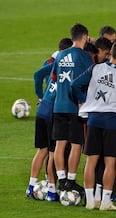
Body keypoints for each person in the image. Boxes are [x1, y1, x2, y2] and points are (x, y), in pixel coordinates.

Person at [71, 39, 116, 210]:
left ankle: (90, 201)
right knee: (110, 162)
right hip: (111, 121)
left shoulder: (96, 68)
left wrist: (84, 102)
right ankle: (105, 201)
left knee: (91, 161)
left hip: (93, 120)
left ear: (111, 53)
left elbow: (75, 84)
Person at [26, 38, 73, 201]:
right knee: (54, 152)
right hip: (54, 112)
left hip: (42, 110)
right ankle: (52, 191)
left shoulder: (54, 64)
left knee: (42, 150)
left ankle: (31, 186)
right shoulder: (69, 68)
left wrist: (40, 95)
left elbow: (38, 74)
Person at [50, 23, 93, 195]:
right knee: (76, 144)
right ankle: (71, 180)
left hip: (58, 105)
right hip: (75, 106)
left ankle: (61, 180)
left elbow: (53, 76)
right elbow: (89, 81)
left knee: (60, 143)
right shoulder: (85, 56)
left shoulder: (61, 55)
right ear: (84, 37)